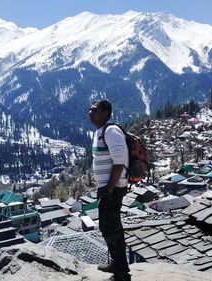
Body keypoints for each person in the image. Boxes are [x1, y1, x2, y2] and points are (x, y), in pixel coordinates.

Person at [89, 100, 131, 281]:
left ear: (105, 113)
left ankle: (121, 274)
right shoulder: (99, 132)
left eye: (94, 110)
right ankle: (118, 265)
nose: (89, 113)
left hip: (112, 189)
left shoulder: (111, 131)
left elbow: (119, 161)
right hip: (107, 188)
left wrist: (109, 188)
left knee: (108, 227)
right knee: (112, 227)